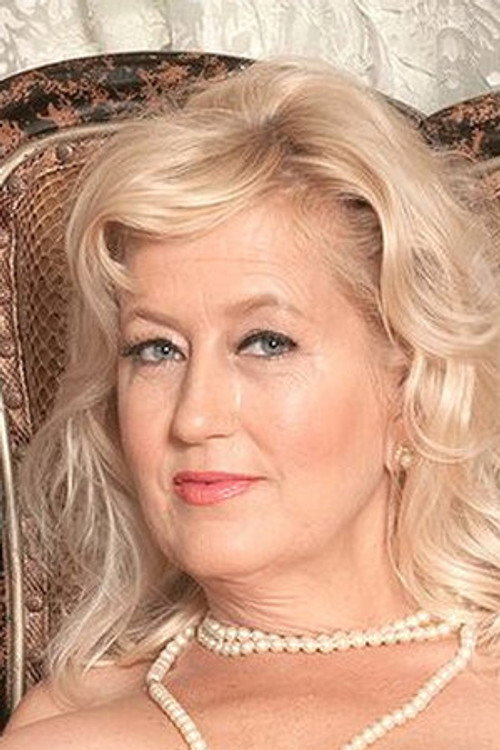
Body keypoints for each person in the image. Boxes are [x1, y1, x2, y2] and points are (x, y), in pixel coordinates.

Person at [1, 57, 499, 750]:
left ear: (411, 386)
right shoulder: (67, 732)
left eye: (266, 343)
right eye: (157, 349)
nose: (195, 417)